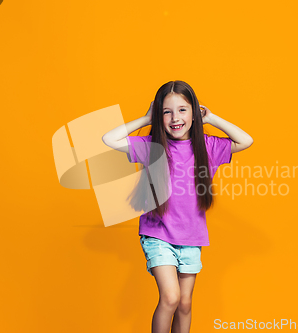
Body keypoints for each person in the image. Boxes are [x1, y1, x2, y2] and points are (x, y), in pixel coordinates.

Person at [102, 80, 253, 333]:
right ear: (159, 116)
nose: (175, 117)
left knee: (184, 304)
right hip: (158, 235)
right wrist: (145, 118)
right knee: (170, 298)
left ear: (194, 113)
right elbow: (109, 138)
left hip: (191, 238)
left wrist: (212, 118)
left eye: (183, 109)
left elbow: (246, 140)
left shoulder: (208, 146)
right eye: (166, 111)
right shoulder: (152, 147)